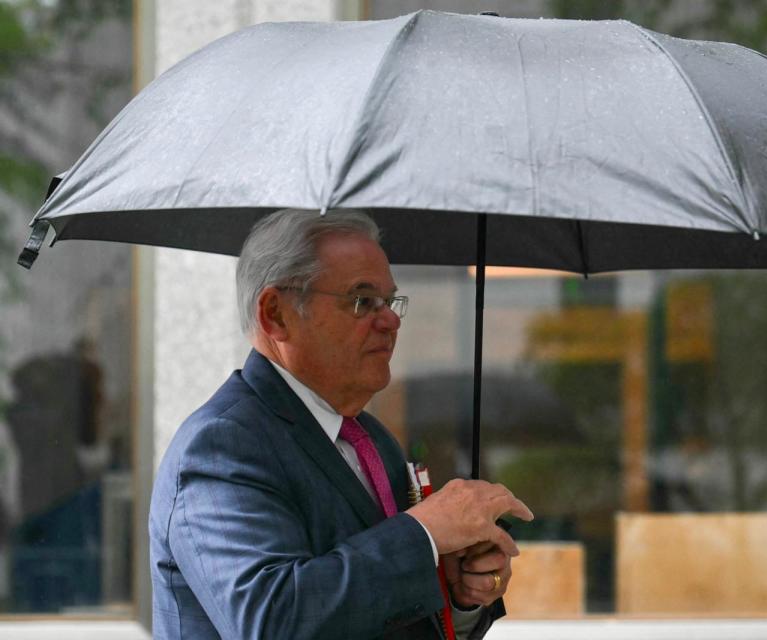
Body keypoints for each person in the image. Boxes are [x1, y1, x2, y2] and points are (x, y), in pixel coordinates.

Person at [149, 208, 534, 639]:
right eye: (362, 300)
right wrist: (424, 532)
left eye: (390, 301)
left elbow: (385, 607)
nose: (390, 320)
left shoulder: (372, 440)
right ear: (275, 314)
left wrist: (457, 594)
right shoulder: (222, 445)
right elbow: (271, 620)